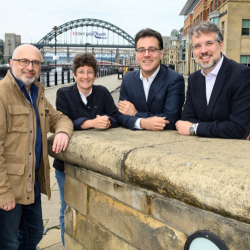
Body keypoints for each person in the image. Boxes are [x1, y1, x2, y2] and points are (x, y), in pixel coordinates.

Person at [0, 44, 73, 250]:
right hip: (8, 186)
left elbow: (61, 118)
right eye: (24, 61)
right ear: (12, 63)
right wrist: (3, 192)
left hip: (31, 183)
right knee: (8, 243)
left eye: (35, 63)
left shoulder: (36, 93)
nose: (30, 67)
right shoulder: (2, 93)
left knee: (33, 235)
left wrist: (61, 132)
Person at [53, 52, 118, 247]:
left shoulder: (103, 93)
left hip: (97, 164)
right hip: (66, 165)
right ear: (74, 75)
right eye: (81, 72)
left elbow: (115, 117)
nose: (85, 76)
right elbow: (64, 121)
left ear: (96, 75)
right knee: (68, 209)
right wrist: (90, 123)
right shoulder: (63, 94)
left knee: (97, 210)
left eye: (90, 72)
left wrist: (106, 122)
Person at [176, 21, 250, 139]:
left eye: (209, 43)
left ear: (220, 46)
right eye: (197, 46)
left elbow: (238, 128)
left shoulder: (240, 74)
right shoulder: (194, 79)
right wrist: (221, 127)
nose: (203, 50)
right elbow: (186, 118)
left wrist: (194, 128)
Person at [117, 28, 185, 131]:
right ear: (136, 55)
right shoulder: (128, 79)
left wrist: (135, 114)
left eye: (152, 49)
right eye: (141, 50)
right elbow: (120, 116)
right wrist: (143, 123)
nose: (147, 54)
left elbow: (171, 120)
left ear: (161, 54)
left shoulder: (175, 80)